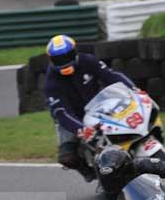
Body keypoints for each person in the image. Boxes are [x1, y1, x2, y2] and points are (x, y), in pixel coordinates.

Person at [44, 34, 136, 181]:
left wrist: (133, 89)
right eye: (59, 60)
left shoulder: (88, 61)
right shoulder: (51, 83)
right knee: (67, 157)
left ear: (75, 52)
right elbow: (61, 112)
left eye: (67, 56)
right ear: (50, 60)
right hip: (71, 117)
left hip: (100, 107)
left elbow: (110, 76)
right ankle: (89, 172)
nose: (64, 62)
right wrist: (81, 129)